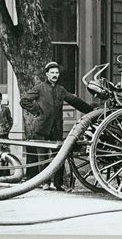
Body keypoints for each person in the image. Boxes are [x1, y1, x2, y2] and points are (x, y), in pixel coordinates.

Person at [20, 61, 94, 191]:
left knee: (57, 156)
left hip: (56, 128)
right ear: (47, 74)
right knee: (42, 156)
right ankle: (44, 183)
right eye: (52, 73)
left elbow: (75, 101)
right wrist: (37, 111)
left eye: (57, 73)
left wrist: (92, 111)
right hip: (41, 127)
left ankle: (58, 183)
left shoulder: (61, 90)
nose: (55, 75)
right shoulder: (39, 88)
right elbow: (24, 100)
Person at [0, 91, 14, 176]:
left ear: (1, 99)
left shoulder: (5, 109)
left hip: (4, 136)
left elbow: (10, 121)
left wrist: (5, 130)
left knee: (4, 153)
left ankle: (5, 173)